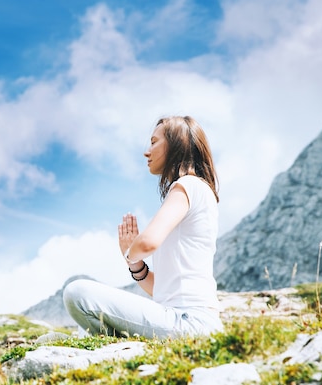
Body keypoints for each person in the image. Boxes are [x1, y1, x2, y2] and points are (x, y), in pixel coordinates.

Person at [63, 115, 223, 339]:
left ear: (177, 144)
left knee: (76, 292)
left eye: (154, 142)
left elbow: (148, 242)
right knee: (83, 327)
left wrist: (132, 250)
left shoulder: (187, 185)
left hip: (190, 322)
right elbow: (163, 289)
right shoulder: (198, 189)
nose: (147, 151)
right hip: (186, 319)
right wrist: (136, 264)